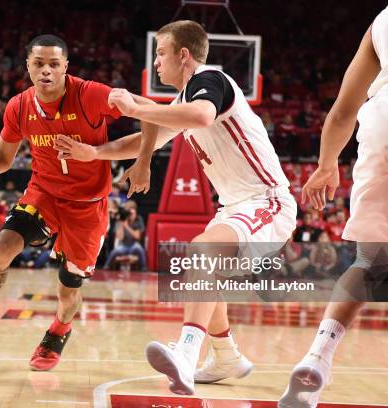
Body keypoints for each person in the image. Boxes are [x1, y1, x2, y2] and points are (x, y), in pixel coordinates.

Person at [55, 20, 297, 395]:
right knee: (203, 267)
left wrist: (137, 106)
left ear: (184, 55)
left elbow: (199, 117)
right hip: (236, 205)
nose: (155, 63)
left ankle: (186, 353)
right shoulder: (186, 101)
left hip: (268, 200)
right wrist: (97, 152)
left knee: (202, 253)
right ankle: (226, 355)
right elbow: (144, 141)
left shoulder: (210, 81)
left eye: (161, 53)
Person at [0, 34, 149, 372]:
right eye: (39, 64)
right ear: (27, 67)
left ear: (66, 67)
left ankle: (57, 332)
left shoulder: (89, 94)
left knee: (68, 290)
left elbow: (152, 114)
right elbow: (0, 158)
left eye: (54, 64)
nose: (46, 71)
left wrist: (143, 161)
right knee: (1, 250)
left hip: (88, 203)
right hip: (44, 194)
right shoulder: (19, 106)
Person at [279, 1, 388, 406]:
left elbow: (342, 112)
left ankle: (319, 355)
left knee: (371, 261)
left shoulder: (387, 15)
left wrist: (325, 166)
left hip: (385, 115)